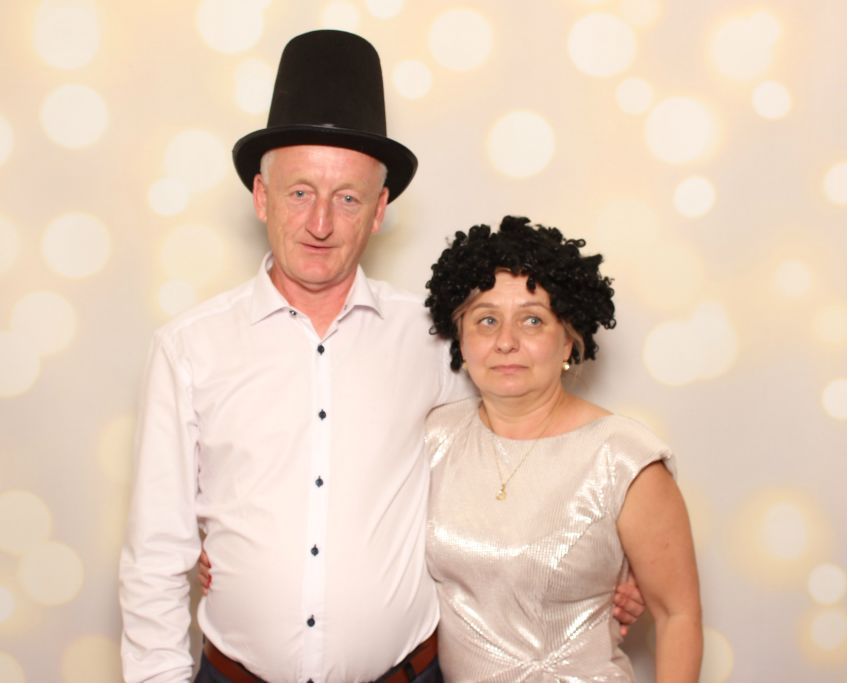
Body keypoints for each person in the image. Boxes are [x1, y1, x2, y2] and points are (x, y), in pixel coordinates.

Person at [120, 30, 644, 683]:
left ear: (378, 211)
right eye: (299, 191)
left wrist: (611, 552)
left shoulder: (437, 338)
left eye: (347, 197)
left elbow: (526, 445)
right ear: (261, 196)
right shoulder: (189, 348)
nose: (320, 223)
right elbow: (155, 556)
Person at [422, 216, 702, 682]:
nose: (506, 342)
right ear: (461, 339)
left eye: (532, 320)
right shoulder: (436, 437)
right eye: (487, 320)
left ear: (569, 339)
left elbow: (678, 616)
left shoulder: (623, 458)